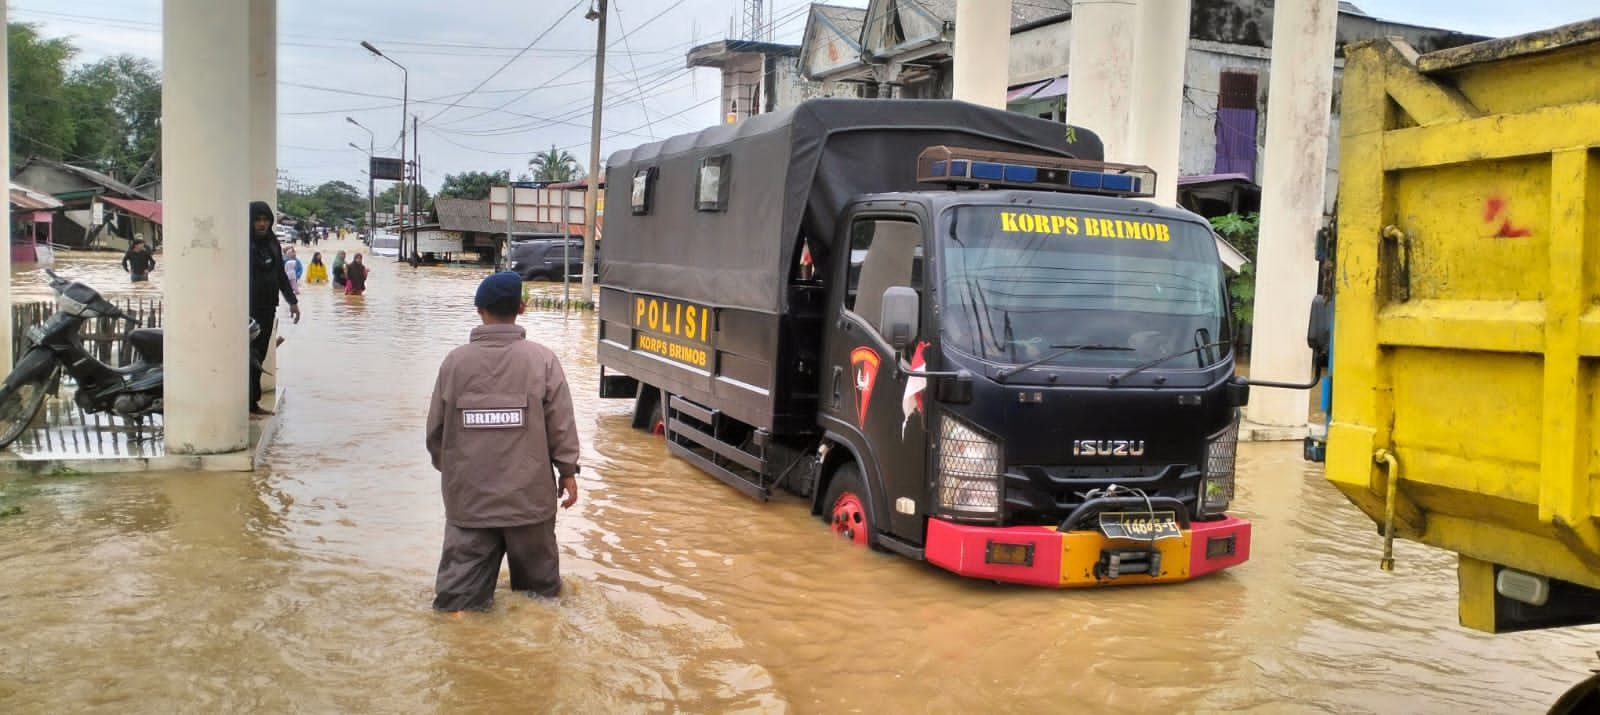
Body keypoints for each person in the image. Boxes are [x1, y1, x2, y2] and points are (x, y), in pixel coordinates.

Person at [426, 271, 581, 611]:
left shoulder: (454, 364)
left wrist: (455, 473)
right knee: (541, 604)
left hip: (470, 505)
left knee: (457, 608)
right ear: (522, 308)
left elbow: (435, 434)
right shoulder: (543, 361)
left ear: (479, 309)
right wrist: (567, 472)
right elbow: (562, 426)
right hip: (530, 505)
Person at [250, 201, 301, 416]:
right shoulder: (244, 244)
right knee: (246, 357)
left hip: (268, 307)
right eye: (257, 220)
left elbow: (280, 275)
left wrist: (292, 301)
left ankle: (252, 402)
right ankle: (247, 402)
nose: (262, 224)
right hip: (247, 310)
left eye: (265, 220)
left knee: (259, 355)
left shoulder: (272, 244)